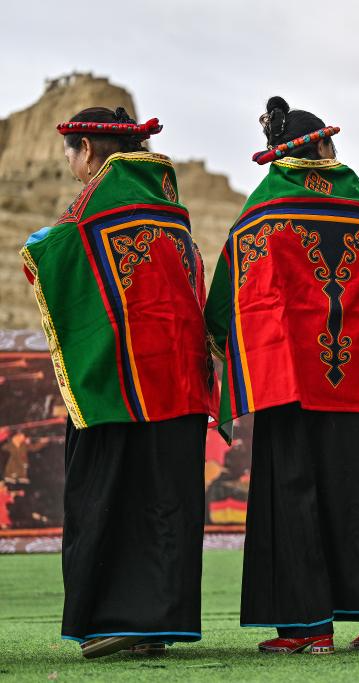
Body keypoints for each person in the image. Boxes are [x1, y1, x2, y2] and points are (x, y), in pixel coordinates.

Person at [205, 97, 359, 655]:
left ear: (279, 155)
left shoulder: (268, 205)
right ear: (324, 149)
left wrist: (226, 344)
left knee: (297, 493)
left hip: (296, 384)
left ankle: (309, 627)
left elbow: (233, 296)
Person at [21, 107, 213, 658]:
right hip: (177, 381)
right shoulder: (171, 212)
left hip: (119, 382)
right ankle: (160, 623)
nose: (70, 164)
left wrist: (39, 248)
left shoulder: (93, 209)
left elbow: (52, 260)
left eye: (72, 152)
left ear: (89, 150)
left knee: (110, 494)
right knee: (168, 498)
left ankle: (116, 617)